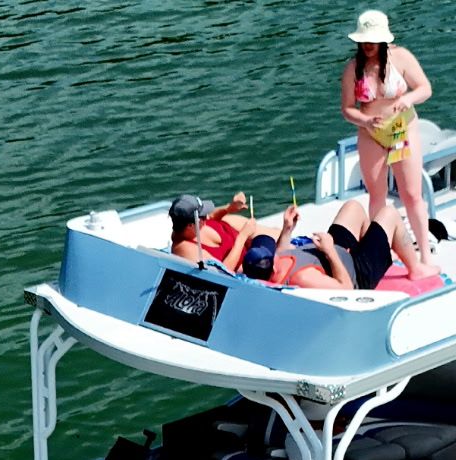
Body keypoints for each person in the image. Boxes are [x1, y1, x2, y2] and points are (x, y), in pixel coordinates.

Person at [340, 10, 437, 267]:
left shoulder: (401, 58)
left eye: (373, 40)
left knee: (411, 194)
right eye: (364, 41)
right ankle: (380, 254)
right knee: (377, 195)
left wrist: (406, 99)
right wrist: (366, 120)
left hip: (401, 130)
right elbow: (347, 108)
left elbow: (425, 88)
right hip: (371, 133)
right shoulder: (353, 68)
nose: (368, 45)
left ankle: (424, 255)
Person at [240, 199, 435, 290]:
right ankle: (415, 268)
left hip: (336, 253)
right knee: (390, 214)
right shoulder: (303, 278)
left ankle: (376, 250)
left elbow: (284, 252)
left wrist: (287, 228)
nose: (274, 251)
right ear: (273, 265)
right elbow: (346, 288)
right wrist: (329, 251)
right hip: (357, 273)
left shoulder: (272, 269)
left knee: (353, 207)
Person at [168, 192, 262, 273]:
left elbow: (211, 215)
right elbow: (223, 273)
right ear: (191, 225)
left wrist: (229, 208)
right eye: (203, 217)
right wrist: (242, 236)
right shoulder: (186, 249)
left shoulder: (189, 228)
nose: (207, 218)